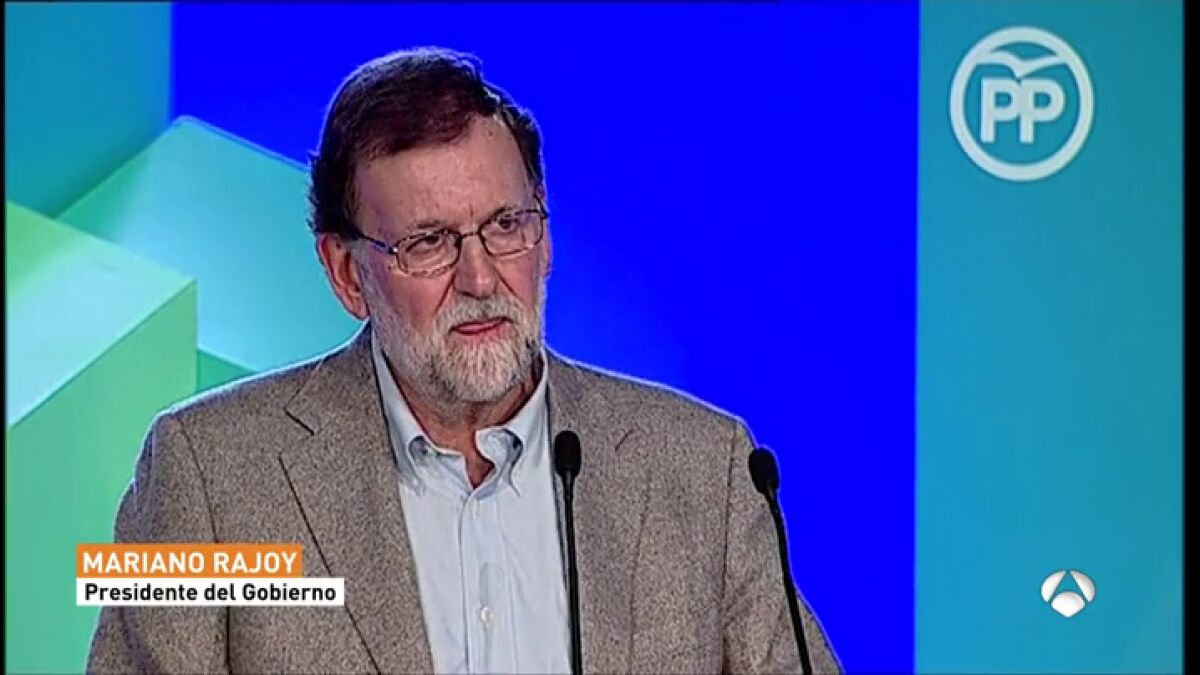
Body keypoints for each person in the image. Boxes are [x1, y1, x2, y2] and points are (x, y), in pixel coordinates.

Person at [87, 47, 840, 674]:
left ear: (546, 237)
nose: (480, 279)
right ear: (347, 273)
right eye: (429, 242)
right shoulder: (204, 474)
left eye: (506, 225)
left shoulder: (708, 469)